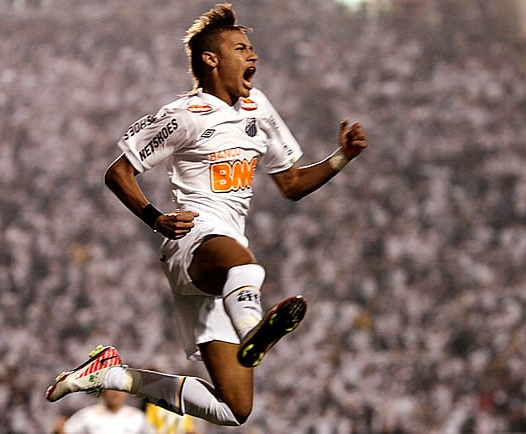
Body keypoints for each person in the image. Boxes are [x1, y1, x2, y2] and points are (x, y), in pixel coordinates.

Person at [45, 2, 368, 428]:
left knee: (233, 409)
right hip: (194, 242)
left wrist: (342, 156)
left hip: (222, 268)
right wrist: (155, 217)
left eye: (251, 48)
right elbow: (118, 171)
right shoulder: (183, 115)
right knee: (247, 267)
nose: (252, 56)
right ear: (211, 59)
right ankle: (253, 329)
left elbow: (291, 185)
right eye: (241, 48)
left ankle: (112, 374)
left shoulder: (259, 109)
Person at [52, 390, 155, 434]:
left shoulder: (138, 417)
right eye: (111, 389)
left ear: (127, 392)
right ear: (103, 392)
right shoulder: (87, 415)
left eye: (119, 389)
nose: (115, 393)